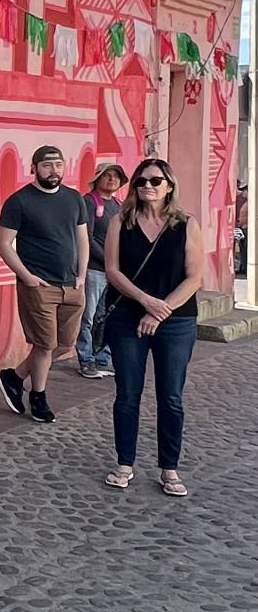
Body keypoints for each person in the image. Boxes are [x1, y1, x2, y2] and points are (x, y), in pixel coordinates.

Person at [103, 159, 203, 498]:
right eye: (141, 180)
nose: (148, 185)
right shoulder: (121, 222)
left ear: (169, 186)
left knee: (170, 396)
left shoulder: (186, 224)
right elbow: (113, 271)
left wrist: (160, 311)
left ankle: (169, 468)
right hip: (127, 317)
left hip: (175, 320)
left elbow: (194, 277)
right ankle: (124, 463)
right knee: (127, 393)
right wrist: (147, 302)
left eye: (156, 180)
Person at [0, 145, 89, 424]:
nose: (54, 170)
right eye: (47, 165)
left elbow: (82, 239)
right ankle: (38, 397)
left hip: (72, 284)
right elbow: (3, 244)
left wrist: (82, 275)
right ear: (33, 168)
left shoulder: (74, 199)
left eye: (58, 164)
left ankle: (14, 376)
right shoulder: (19, 201)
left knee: (64, 344)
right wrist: (27, 277)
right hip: (39, 285)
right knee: (45, 345)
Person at [76, 162, 125, 379]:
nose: (112, 179)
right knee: (87, 316)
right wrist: (108, 260)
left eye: (116, 176)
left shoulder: (118, 205)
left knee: (105, 315)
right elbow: (87, 236)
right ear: (97, 179)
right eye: (107, 175)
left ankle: (102, 357)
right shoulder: (88, 202)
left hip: (114, 272)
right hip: (95, 269)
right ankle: (86, 359)